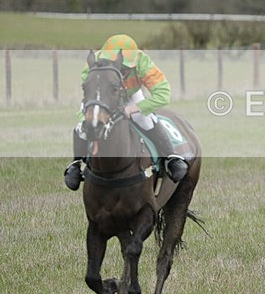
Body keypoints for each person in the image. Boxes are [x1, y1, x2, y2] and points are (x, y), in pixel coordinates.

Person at [64, 34, 189, 190]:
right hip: (104, 98)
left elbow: (163, 93)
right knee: (82, 127)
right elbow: (89, 92)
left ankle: (171, 158)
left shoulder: (143, 62)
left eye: (124, 69)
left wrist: (132, 109)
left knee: (145, 120)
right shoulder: (94, 62)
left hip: (131, 95)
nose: (120, 71)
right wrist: (88, 115)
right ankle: (76, 164)